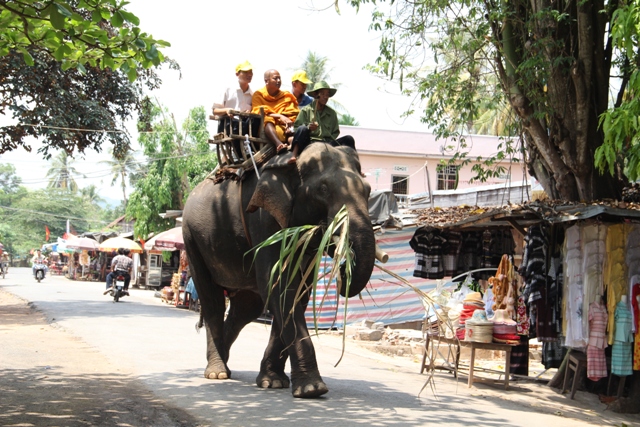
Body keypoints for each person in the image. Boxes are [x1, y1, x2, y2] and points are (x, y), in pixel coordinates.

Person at [289, 80, 356, 164]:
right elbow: (296, 128)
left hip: (327, 144)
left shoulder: (332, 113)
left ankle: (355, 166)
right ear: (316, 95)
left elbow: (335, 132)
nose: (325, 97)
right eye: (322, 94)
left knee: (349, 139)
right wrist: (308, 128)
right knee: (302, 128)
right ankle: (293, 155)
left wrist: (327, 141)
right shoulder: (306, 110)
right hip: (309, 142)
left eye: (327, 94)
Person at [212, 60, 260, 159]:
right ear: (237, 74)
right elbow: (215, 110)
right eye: (246, 72)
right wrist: (226, 110)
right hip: (228, 126)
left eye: (251, 72)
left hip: (246, 128)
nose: (249, 74)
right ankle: (239, 151)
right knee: (236, 123)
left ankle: (250, 148)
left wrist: (249, 113)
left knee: (256, 119)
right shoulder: (227, 89)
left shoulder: (253, 94)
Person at [251, 69, 299, 153]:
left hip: (284, 127)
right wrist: (280, 116)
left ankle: (293, 144)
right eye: (275, 78)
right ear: (266, 81)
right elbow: (258, 111)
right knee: (268, 119)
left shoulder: (286, 95)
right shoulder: (258, 95)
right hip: (267, 129)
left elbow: (292, 112)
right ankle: (279, 144)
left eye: (279, 78)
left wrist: (286, 120)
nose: (279, 81)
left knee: (292, 125)